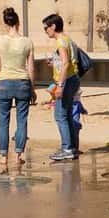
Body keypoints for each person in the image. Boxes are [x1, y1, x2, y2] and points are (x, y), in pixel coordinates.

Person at [0, 7, 34, 173]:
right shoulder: (27, 42)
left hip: (4, 83)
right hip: (22, 82)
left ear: (5, 23)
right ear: (18, 23)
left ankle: (3, 156)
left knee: (3, 120)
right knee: (22, 120)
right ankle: (19, 154)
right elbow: (31, 67)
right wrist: (32, 86)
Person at [41, 13, 81, 162]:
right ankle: (72, 147)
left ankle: (67, 148)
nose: (46, 31)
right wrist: (54, 64)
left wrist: (60, 86)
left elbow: (65, 64)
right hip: (73, 79)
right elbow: (67, 62)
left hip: (66, 81)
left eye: (46, 28)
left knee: (60, 115)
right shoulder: (68, 39)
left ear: (53, 26)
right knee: (67, 114)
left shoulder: (61, 42)